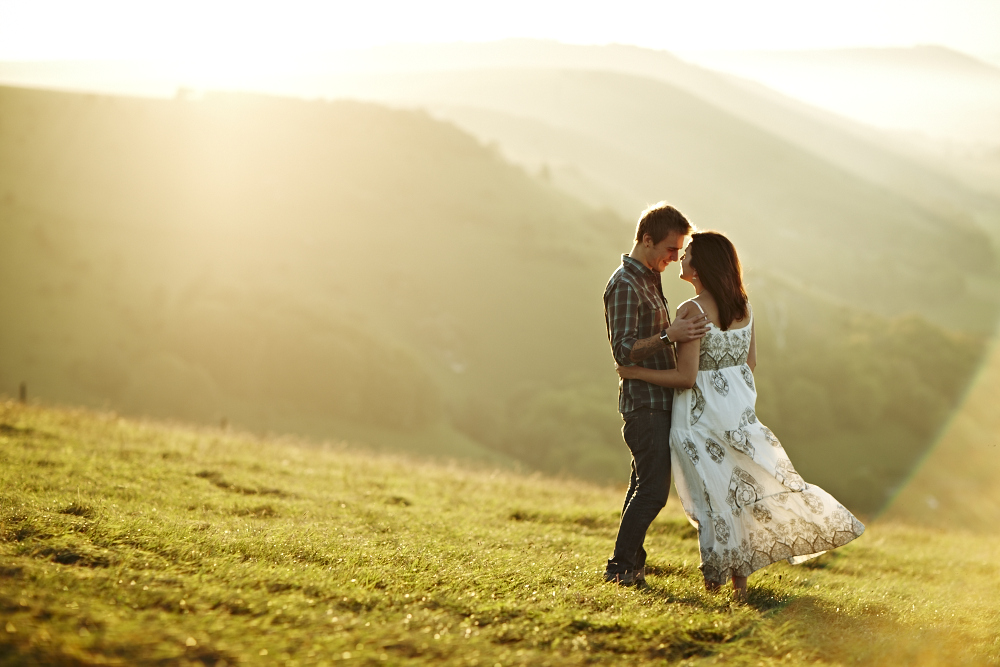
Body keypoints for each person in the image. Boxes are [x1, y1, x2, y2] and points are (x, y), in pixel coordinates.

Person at [617, 231, 865, 599]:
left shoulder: (692, 310)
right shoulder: (744, 309)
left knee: (712, 502)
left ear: (699, 267)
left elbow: (685, 378)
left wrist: (635, 371)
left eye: (686, 254)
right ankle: (740, 588)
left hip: (698, 422)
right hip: (737, 417)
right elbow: (749, 365)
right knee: (739, 498)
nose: (681, 258)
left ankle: (714, 583)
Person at [602, 203, 711, 586]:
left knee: (642, 487)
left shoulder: (648, 278)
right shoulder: (624, 284)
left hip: (659, 403)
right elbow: (623, 350)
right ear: (646, 240)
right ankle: (620, 568)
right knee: (651, 492)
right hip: (644, 405)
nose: (674, 257)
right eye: (669, 249)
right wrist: (670, 335)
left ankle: (632, 565)